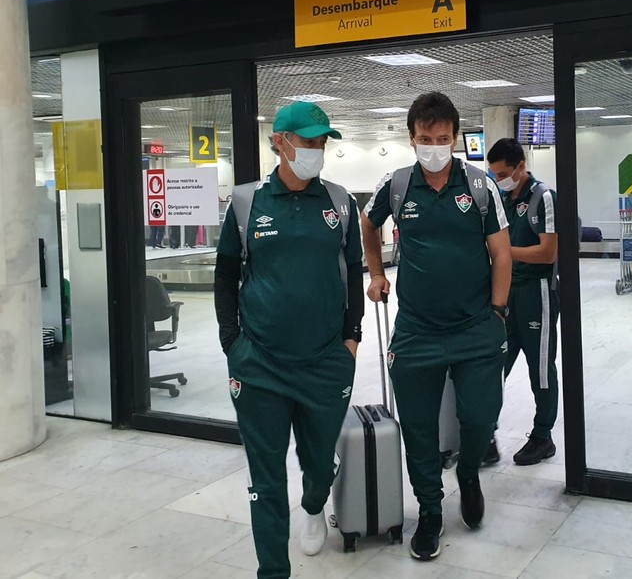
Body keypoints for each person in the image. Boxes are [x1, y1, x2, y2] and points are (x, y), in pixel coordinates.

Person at [213, 101, 363, 579]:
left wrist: (351, 339)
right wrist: (232, 344)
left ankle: (316, 503)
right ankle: (272, 571)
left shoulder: (339, 201)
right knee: (266, 477)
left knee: (319, 463)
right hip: (260, 363)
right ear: (279, 141)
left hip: (325, 362)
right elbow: (225, 276)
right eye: (308, 141)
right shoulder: (246, 201)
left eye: (322, 142)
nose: (316, 150)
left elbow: (353, 276)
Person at [361, 92, 511, 562]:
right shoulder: (398, 184)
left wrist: (499, 310)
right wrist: (377, 272)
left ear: (455, 138)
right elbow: (368, 227)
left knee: (482, 414)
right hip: (416, 333)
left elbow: (502, 253)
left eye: (442, 138)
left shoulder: (481, 187)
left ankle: (467, 472)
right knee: (420, 428)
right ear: (412, 138)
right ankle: (429, 511)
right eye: (425, 139)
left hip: (475, 328)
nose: (434, 146)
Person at [485, 138, 560, 466]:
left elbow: (548, 252)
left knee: (540, 369)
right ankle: (485, 435)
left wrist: (503, 252)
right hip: (505, 294)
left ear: (520, 166)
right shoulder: (499, 198)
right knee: (493, 367)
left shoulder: (543, 198)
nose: (499, 178)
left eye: (503, 173)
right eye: (494, 173)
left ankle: (542, 437)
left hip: (537, 293)